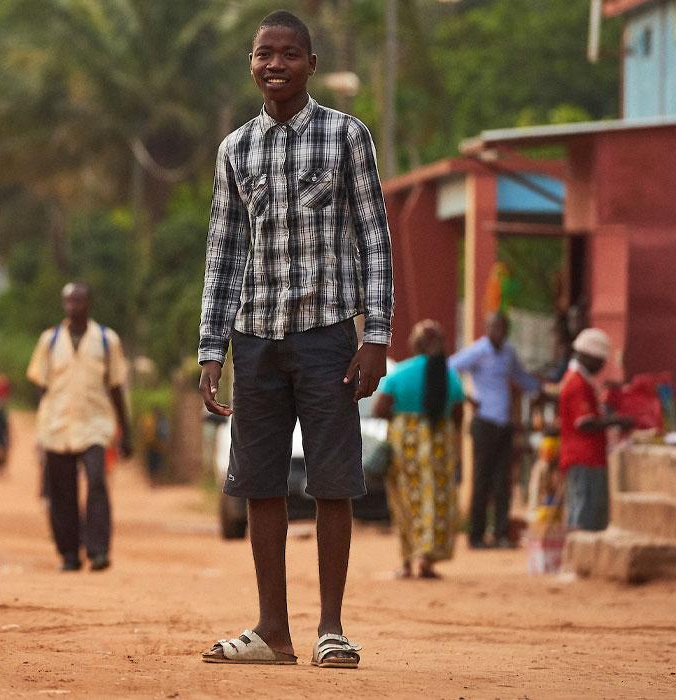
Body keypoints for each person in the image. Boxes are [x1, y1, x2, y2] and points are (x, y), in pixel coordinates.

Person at [195, 11, 391, 669]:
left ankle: (330, 629)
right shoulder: (235, 150)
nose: (274, 65)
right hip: (254, 338)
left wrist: (376, 336)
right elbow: (223, 252)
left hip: (328, 338)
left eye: (287, 54)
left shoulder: (346, 137)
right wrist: (211, 348)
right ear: (251, 65)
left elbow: (374, 238)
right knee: (260, 484)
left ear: (309, 62)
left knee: (333, 482)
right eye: (263, 55)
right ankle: (272, 632)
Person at [26, 282, 131, 573]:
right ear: (64, 305)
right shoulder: (49, 340)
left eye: (79, 302)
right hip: (57, 427)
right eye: (69, 302)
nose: (74, 307)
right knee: (62, 493)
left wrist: (126, 432)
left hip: (95, 426)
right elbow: (39, 385)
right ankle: (69, 553)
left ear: (88, 304)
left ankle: (98, 551)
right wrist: (43, 423)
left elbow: (117, 388)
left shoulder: (107, 341)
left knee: (97, 483)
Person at [373, 321, 465, 579]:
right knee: (434, 502)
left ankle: (406, 561)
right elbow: (458, 415)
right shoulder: (450, 377)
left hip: (405, 447)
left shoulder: (399, 374)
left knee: (404, 501)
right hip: (439, 447)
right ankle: (427, 557)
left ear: (415, 345)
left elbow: (380, 409)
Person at [448, 311, 542, 549]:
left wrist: (541, 389)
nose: (496, 332)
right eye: (492, 327)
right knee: (482, 481)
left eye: (500, 327)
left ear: (506, 330)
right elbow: (450, 369)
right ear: (486, 328)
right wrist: (466, 397)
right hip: (484, 423)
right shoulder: (478, 351)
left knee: (503, 482)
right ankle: (476, 535)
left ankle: (500, 534)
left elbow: (521, 377)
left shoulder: (508, 352)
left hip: (504, 424)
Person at [557, 328, 634, 532]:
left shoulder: (581, 381)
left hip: (590, 457)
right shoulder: (576, 383)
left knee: (590, 515)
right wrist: (615, 421)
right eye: (599, 361)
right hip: (584, 458)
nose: (601, 367)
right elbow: (584, 423)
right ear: (587, 357)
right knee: (584, 517)